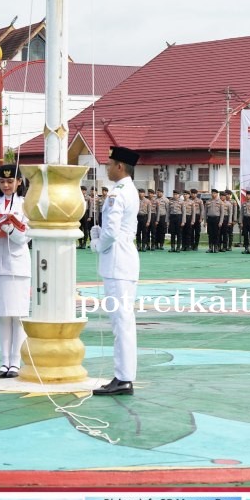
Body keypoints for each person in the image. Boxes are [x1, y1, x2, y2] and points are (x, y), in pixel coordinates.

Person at [90, 146, 141, 396]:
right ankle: (123, 376)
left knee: (121, 323)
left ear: (120, 166)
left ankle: (123, 378)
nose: (107, 168)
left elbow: (111, 232)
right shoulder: (127, 190)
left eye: (110, 164)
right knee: (122, 322)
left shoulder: (117, 193)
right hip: (123, 258)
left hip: (117, 261)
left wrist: (97, 244)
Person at [0, 164, 30, 379]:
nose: (7, 185)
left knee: (17, 314)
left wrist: (10, 228)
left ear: (19, 181)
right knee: (2, 315)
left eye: (11, 181)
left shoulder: (26, 205)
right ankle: (4, 362)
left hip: (17, 264)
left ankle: (16, 362)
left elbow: (26, 237)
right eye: (3, 181)